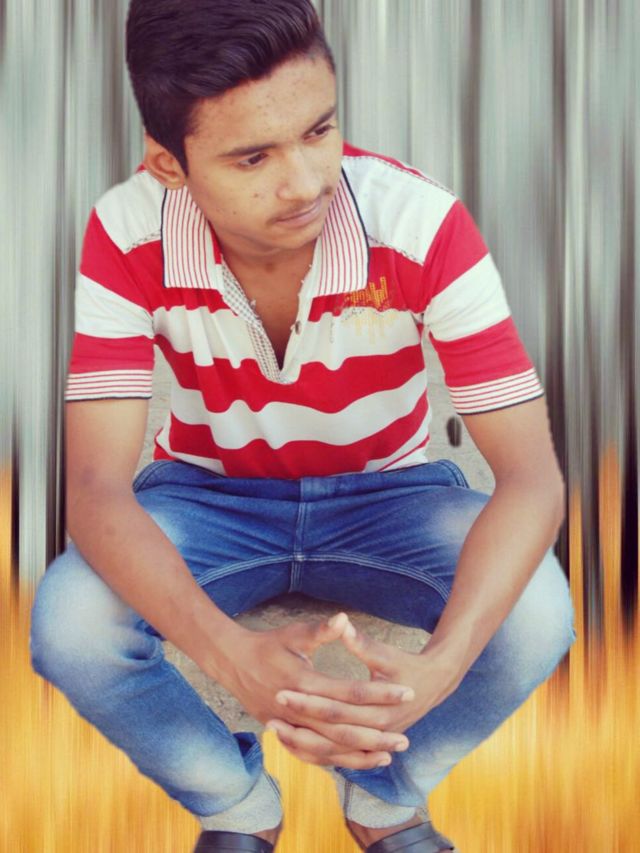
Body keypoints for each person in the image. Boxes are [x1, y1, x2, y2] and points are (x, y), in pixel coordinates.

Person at [29, 1, 577, 851]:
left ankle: (385, 795)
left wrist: (441, 668)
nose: (307, 181)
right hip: (207, 495)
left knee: (540, 610)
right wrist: (228, 653)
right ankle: (235, 801)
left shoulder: (422, 223)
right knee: (69, 621)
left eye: (319, 130)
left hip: (390, 494)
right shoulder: (126, 229)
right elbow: (96, 487)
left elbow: (533, 478)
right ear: (168, 164)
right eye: (253, 156)